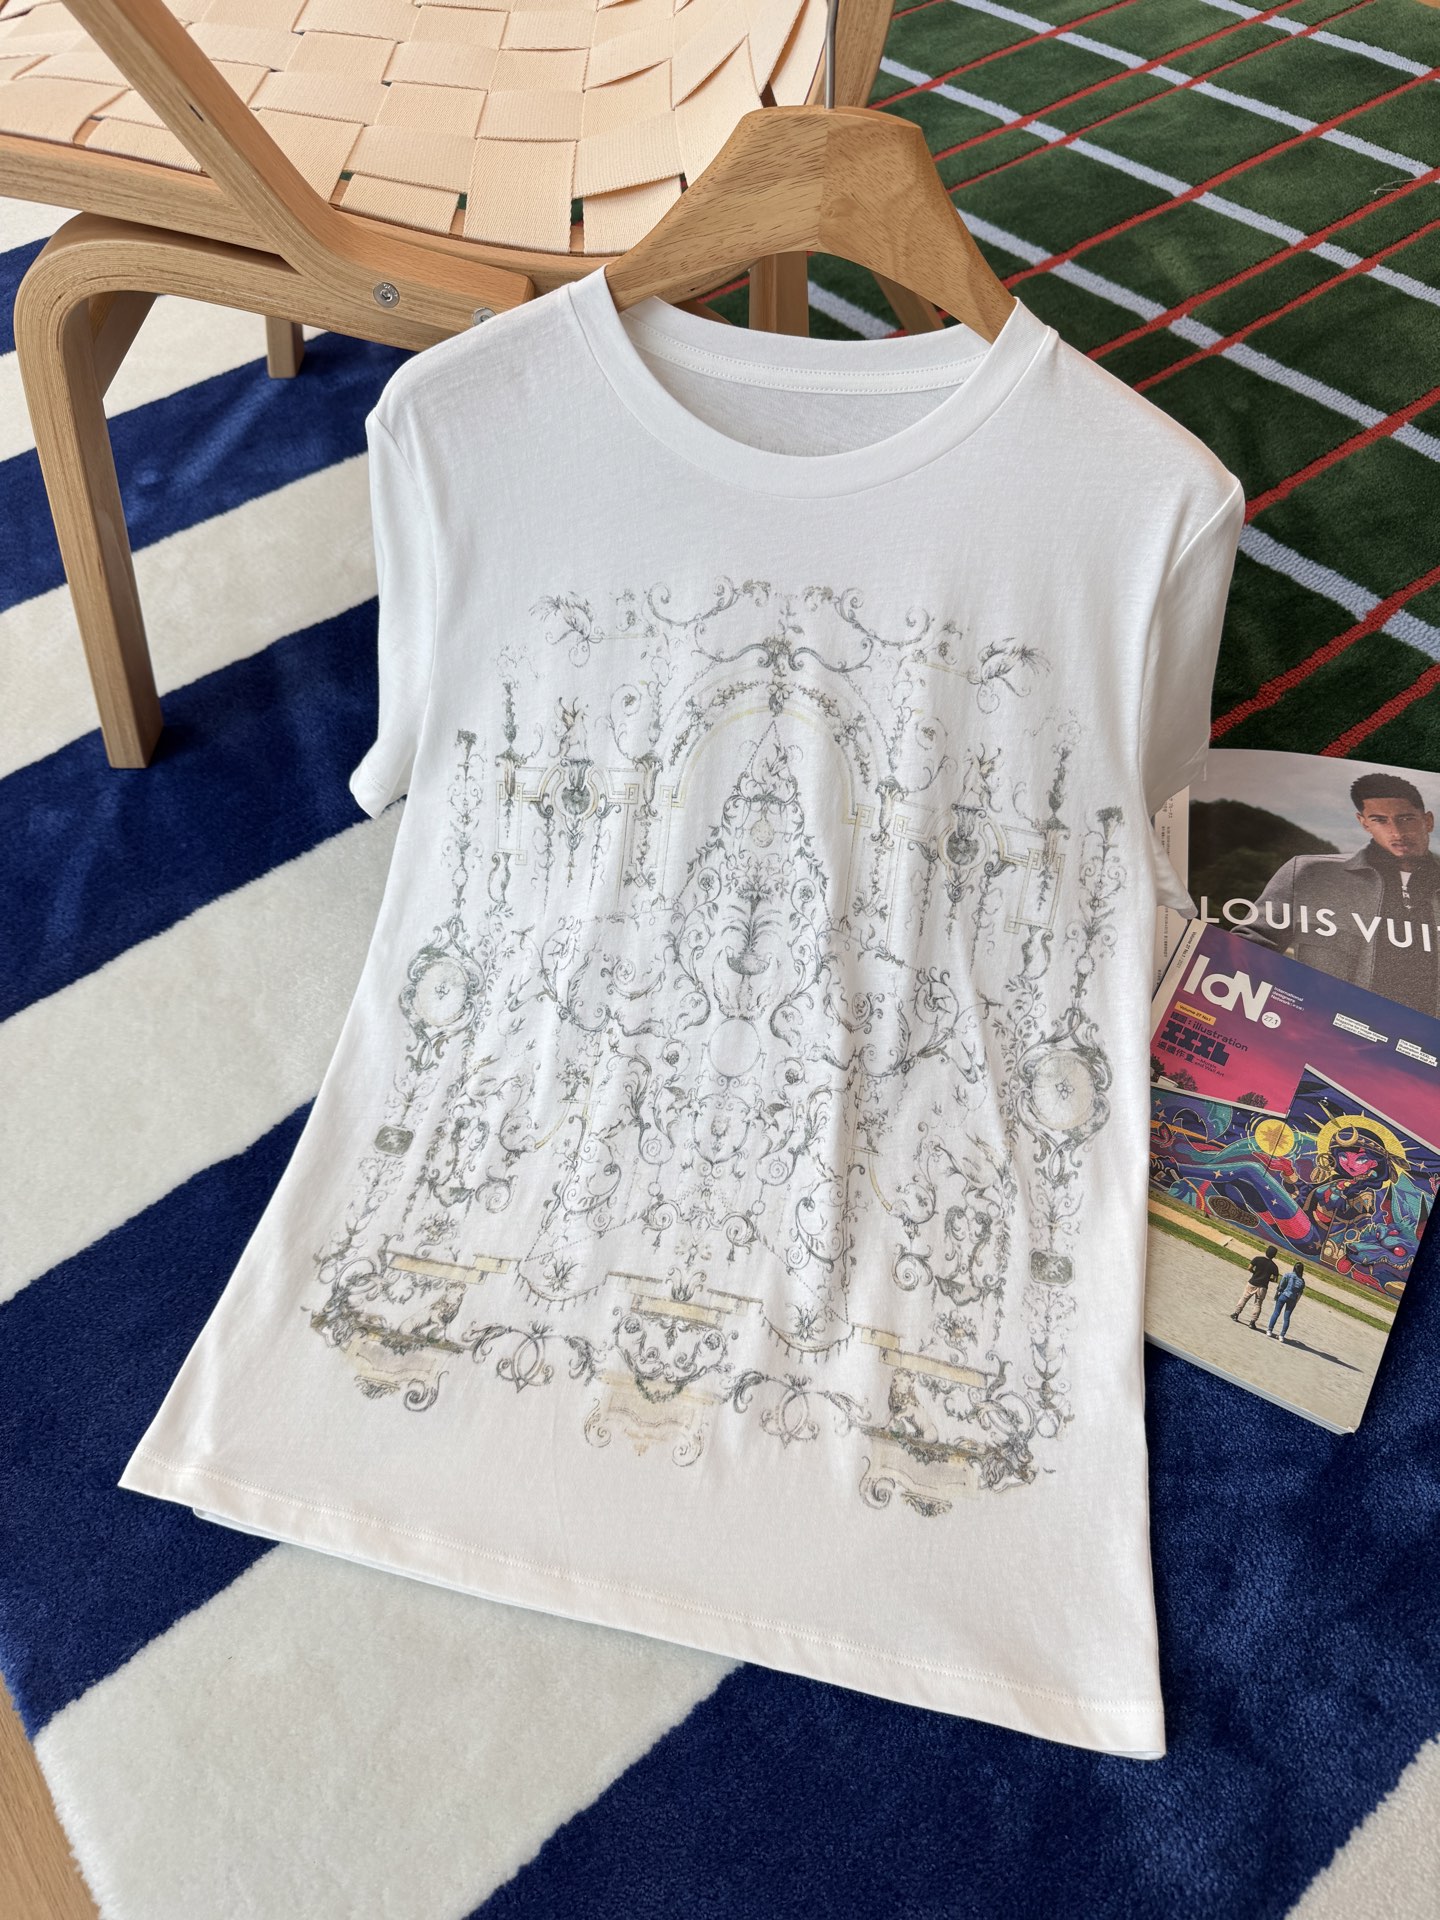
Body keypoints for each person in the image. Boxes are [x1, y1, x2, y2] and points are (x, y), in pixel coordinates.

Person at [1237, 774, 1440, 1016]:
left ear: (1427, 821)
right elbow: (1245, 950)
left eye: (1406, 819)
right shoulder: (1310, 873)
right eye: (1380, 820)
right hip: (1320, 1029)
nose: (1396, 832)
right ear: (1364, 823)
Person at [1230, 1248, 1279, 1328]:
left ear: (1266, 1252)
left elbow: (1249, 1267)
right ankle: (1252, 1322)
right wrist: (1267, 1278)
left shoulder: (1258, 1259)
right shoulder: (1274, 1266)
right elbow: (1275, 1279)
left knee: (1244, 1298)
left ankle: (1236, 1314)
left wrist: (1254, 1273)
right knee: (1258, 1304)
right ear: (1274, 1255)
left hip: (1253, 1282)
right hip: (1263, 1287)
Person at [1267, 1261, 1307, 1342]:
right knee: (1287, 1318)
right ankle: (1282, 1335)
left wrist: (1277, 1293)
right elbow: (1299, 1293)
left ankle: (1269, 1330)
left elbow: (1281, 1285)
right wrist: (1296, 1301)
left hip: (1284, 1295)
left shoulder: (1288, 1275)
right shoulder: (1302, 1281)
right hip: (1293, 1299)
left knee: (1276, 1313)